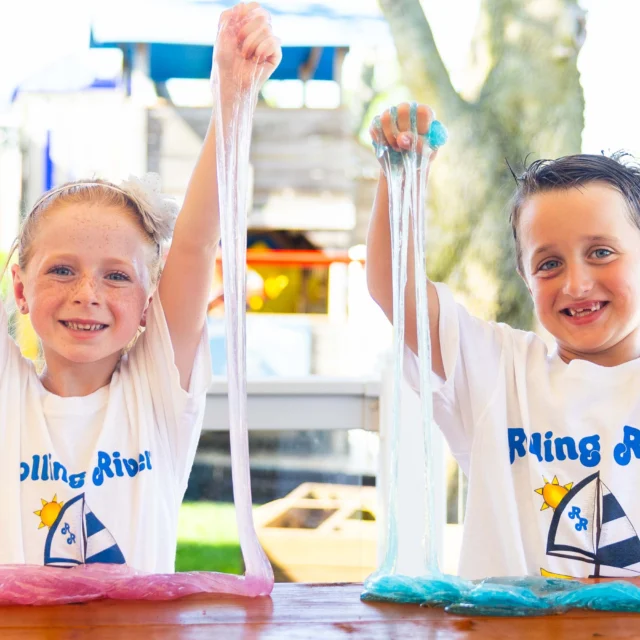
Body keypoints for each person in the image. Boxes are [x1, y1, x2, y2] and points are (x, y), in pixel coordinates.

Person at [0, 3, 281, 572]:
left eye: (117, 275)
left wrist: (231, 95)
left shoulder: (155, 394)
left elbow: (198, 243)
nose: (87, 293)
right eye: (61, 270)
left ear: (149, 301)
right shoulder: (9, 396)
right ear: (21, 289)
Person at [367, 101, 640, 581]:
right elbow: (396, 287)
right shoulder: (499, 372)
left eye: (601, 252)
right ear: (525, 277)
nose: (576, 284)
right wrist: (402, 180)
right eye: (548, 264)